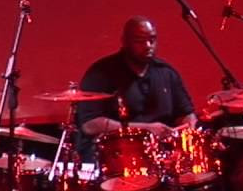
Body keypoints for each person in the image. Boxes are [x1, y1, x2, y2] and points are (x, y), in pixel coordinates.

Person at [76, 15, 197, 163]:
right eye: (139, 41)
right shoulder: (101, 73)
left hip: (161, 156)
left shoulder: (166, 72)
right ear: (125, 42)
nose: (148, 45)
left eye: (152, 39)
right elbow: (90, 125)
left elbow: (186, 113)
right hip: (117, 157)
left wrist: (188, 127)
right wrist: (144, 129)